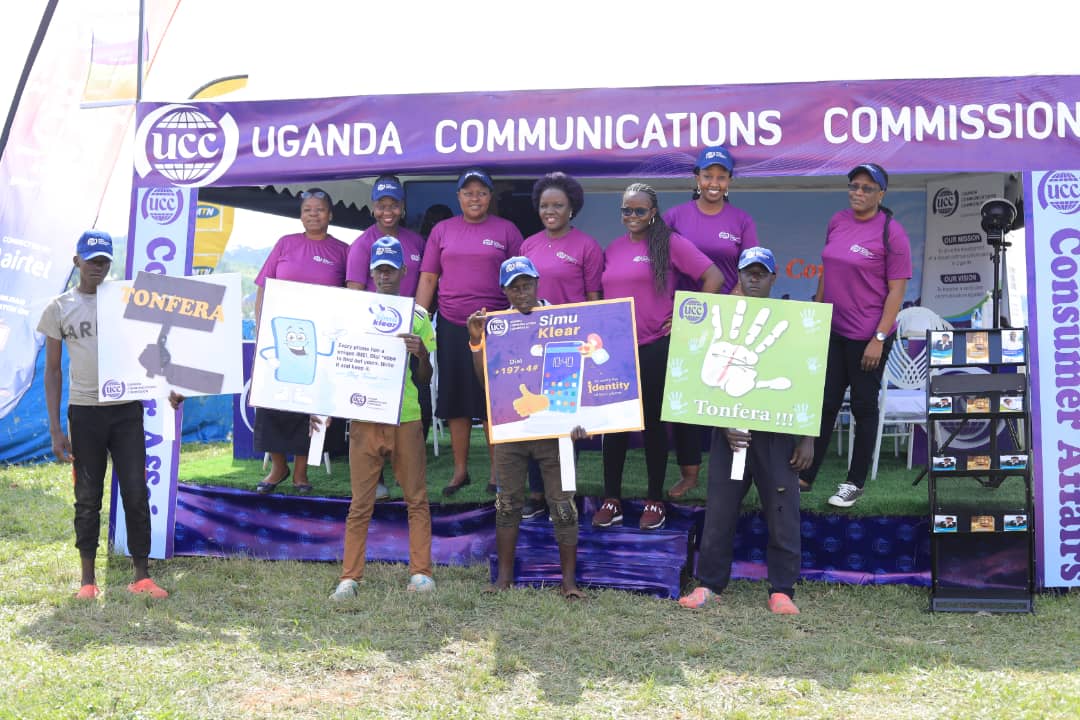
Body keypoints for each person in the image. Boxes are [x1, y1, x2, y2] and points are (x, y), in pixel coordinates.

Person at [39, 230, 178, 600]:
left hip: (126, 412)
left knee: (136, 491)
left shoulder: (126, 301)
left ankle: (141, 576)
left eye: (104, 261)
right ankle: (87, 581)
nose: (98, 267)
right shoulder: (59, 307)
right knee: (87, 497)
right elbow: (52, 371)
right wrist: (55, 429)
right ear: (77, 261)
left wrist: (170, 386)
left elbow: (153, 349)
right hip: (85, 414)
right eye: (92, 260)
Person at [677, 247, 813, 615]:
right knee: (720, 511)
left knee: (783, 512)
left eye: (761, 273)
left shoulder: (794, 324)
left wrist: (808, 438)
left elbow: (809, 380)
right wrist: (723, 423)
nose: (754, 278)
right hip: (730, 435)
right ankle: (709, 584)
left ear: (773, 278)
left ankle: (782, 590)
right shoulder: (717, 319)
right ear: (738, 275)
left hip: (777, 436)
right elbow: (697, 383)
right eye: (748, 272)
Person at [595, 183, 724, 530]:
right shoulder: (613, 249)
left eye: (640, 210)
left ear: (653, 213)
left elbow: (713, 276)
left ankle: (655, 500)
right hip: (617, 349)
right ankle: (611, 499)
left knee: (653, 424)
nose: (632, 216)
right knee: (615, 425)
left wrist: (685, 317)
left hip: (655, 345)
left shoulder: (669, 243)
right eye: (626, 210)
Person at [467, 256, 586, 598]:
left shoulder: (563, 319)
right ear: (504, 291)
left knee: (562, 504)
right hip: (512, 430)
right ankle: (503, 580)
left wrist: (582, 420)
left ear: (537, 283)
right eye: (514, 288)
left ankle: (569, 583)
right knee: (507, 502)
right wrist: (476, 342)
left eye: (527, 285)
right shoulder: (496, 325)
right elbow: (486, 382)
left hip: (555, 431)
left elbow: (580, 373)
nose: (522, 293)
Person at [798, 164, 912, 508]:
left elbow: (897, 291)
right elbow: (826, 271)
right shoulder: (838, 221)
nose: (858, 193)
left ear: (881, 194)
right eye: (854, 186)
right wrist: (818, 314)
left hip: (867, 337)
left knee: (863, 407)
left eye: (867, 188)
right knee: (825, 404)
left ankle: (854, 482)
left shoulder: (892, 233)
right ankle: (805, 476)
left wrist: (878, 338)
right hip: (834, 330)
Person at [330, 237, 436, 599]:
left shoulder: (418, 316)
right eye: (379, 269)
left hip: (406, 415)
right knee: (361, 502)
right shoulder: (353, 313)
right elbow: (339, 363)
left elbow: (426, 379)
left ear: (404, 271)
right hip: (364, 414)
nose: (385, 275)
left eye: (391, 269)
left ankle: (421, 573)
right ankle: (350, 577)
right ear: (371, 272)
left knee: (415, 498)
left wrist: (422, 355)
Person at [415, 168, 524, 496]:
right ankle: (460, 471)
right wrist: (418, 321)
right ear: (458, 197)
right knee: (456, 399)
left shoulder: (507, 230)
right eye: (468, 192)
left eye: (481, 192)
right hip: (451, 324)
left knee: (494, 400)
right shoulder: (442, 231)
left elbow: (521, 279)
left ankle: (497, 471)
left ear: (490, 197)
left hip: (496, 327)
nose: (475, 198)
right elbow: (429, 278)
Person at [664, 146, 760, 499]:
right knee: (687, 398)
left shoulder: (742, 220)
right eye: (708, 176)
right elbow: (660, 266)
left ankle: (732, 472)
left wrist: (731, 299)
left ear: (730, 181)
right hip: (684, 321)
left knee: (728, 393)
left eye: (721, 176)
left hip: (728, 320)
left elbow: (752, 267)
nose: (714, 183)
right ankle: (689, 474)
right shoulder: (674, 216)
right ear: (697, 178)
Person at [253, 188, 350, 494]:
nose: (313, 214)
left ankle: (300, 473)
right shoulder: (285, 243)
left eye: (319, 209)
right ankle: (278, 467)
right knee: (272, 401)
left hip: (319, 344)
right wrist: (260, 329)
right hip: (280, 338)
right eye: (307, 209)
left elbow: (353, 295)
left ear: (330, 214)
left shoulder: (343, 250)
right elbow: (263, 288)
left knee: (309, 404)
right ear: (300, 214)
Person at [519, 171, 602, 518]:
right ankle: (537, 493)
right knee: (536, 416)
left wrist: (590, 344)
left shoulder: (587, 246)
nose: (550, 211)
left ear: (572, 209)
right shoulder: (528, 246)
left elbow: (594, 299)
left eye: (557, 205)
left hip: (570, 347)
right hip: (534, 345)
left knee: (567, 420)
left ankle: (563, 493)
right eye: (544, 205)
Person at [346, 176, 429, 498]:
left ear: (403, 207)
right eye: (381, 205)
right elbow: (355, 293)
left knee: (412, 401)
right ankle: (377, 477)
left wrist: (418, 321)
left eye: (393, 205)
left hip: (408, 333)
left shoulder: (415, 242)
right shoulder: (361, 244)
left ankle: (405, 471)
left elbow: (424, 284)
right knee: (374, 404)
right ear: (373, 208)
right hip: (374, 337)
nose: (388, 211)